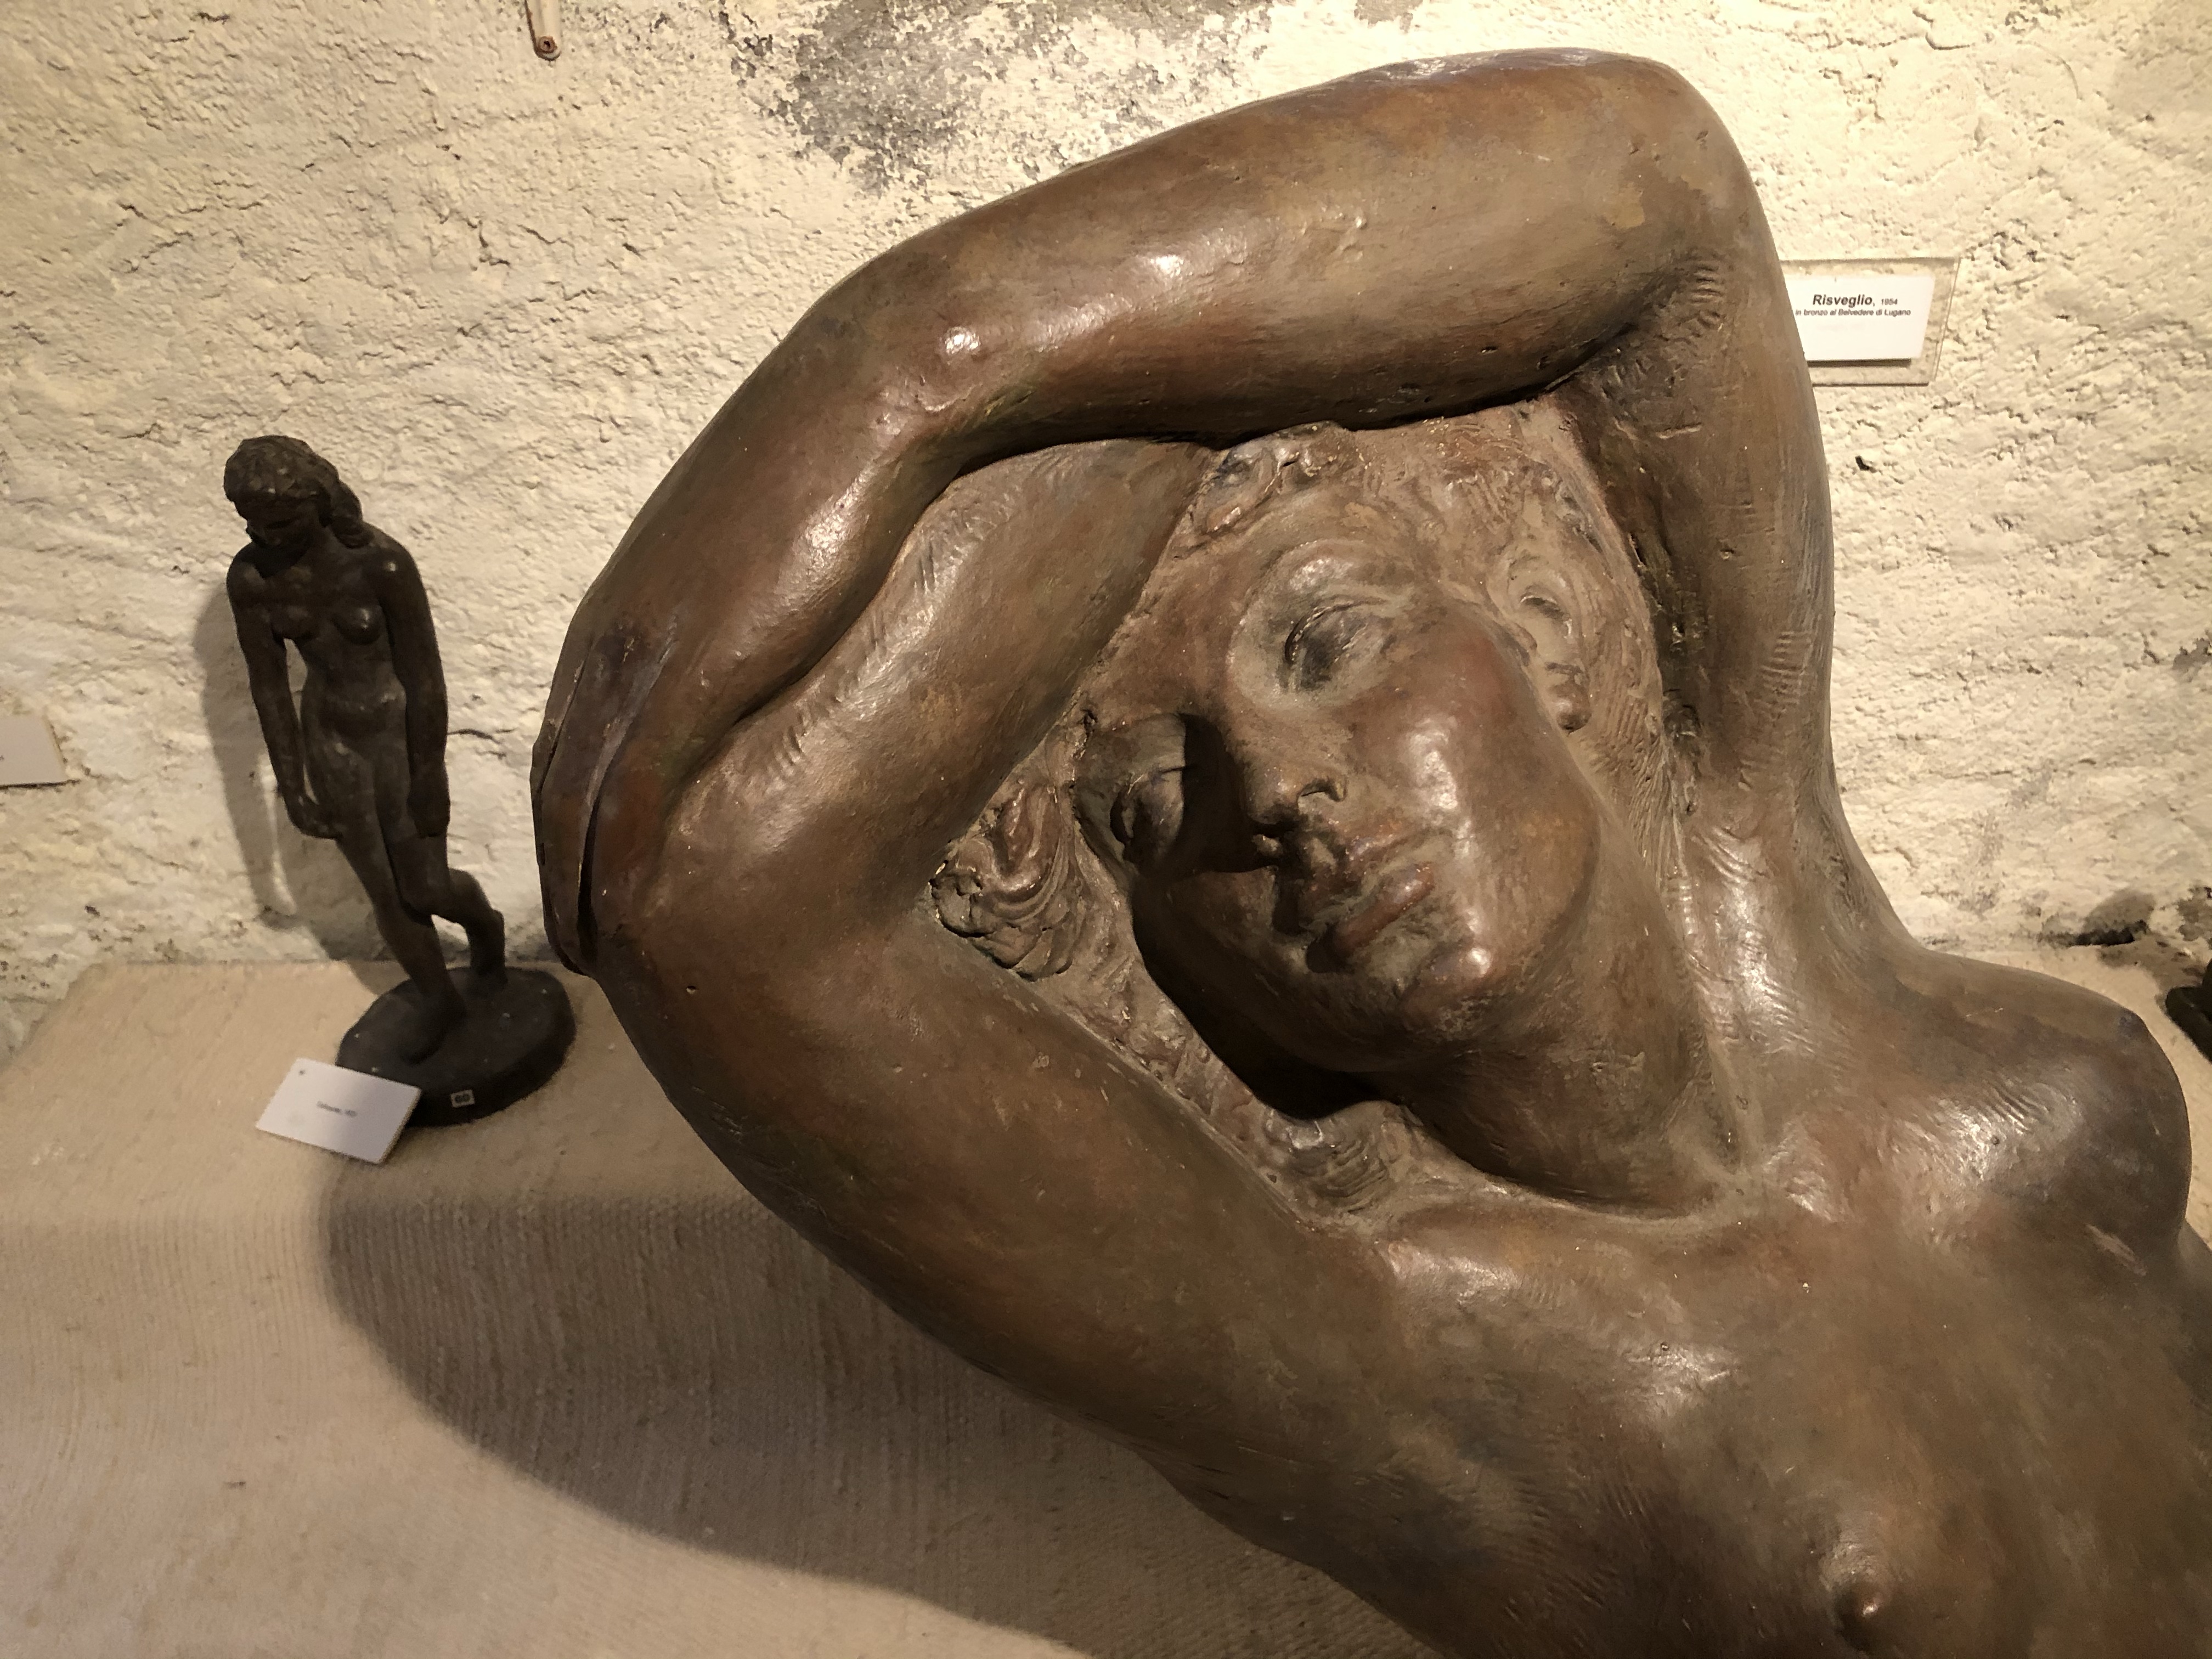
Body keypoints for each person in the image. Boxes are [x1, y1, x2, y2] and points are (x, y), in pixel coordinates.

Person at [534, 52, 2212, 1656]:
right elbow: (709, 895)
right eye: (1154, 803)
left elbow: (1661, 191)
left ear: (1537, 639)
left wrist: (924, 351)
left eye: (1325, 645)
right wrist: (1115, 382)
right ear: (1165, 957)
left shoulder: (1783, 879)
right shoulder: (1407, 1351)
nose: (1279, 791)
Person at [226, 436, 503, 1061]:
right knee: (384, 890)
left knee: (427, 887)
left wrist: (430, 773)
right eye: (253, 523)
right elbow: (269, 689)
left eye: (283, 523)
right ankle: (439, 999)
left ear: (319, 504)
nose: (267, 537)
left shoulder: (382, 565)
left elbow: (425, 678)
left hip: (396, 731)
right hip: (330, 735)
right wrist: (292, 786)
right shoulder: (252, 579)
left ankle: (487, 931)